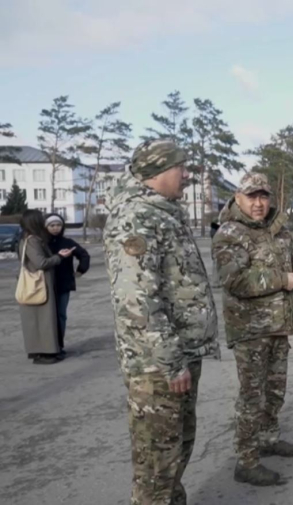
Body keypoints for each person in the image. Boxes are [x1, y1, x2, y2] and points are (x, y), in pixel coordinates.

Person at [103, 139, 220, 505]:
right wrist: (170, 362)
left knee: (176, 451)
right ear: (156, 172)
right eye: (180, 167)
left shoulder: (163, 212)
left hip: (178, 356)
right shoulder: (135, 218)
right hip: (157, 366)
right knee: (157, 464)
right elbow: (136, 300)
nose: (185, 175)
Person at [213, 172, 293, 487]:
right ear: (238, 198)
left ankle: (269, 438)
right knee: (252, 396)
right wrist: (281, 279)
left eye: (263, 196)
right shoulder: (230, 234)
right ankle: (246, 460)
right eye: (251, 197)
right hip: (250, 330)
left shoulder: (278, 229)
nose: (258, 203)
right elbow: (234, 280)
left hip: (279, 325)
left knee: (274, 391)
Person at [17, 210, 74, 365]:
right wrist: (59, 257)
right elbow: (40, 263)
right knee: (42, 320)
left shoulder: (29, 239)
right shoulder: (32, 240)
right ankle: (44, 353)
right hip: (38, 285)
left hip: (38, 284)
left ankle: (47, 351)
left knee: (41, 320)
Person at [45, 213, 90, 358]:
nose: (56, 228)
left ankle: (59, 345)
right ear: (46, 227)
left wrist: (80, 270)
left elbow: (84, 255)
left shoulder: (67, 242)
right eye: (52, 225)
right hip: (45, 285)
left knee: (61, 315)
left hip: (63, 283)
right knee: (47, 316)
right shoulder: (42, 243)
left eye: (58, 225)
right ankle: (47, 346)